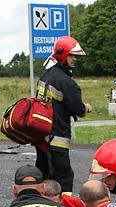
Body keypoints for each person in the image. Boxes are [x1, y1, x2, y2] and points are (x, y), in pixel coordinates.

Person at [35, 36, 93, 194]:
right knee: (64, 177)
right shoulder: (66, 81)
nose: (75, 59)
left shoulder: (45, 75)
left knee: (43, 174)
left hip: (42, 135)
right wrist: (86, 108)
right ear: (62, 55)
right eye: (71, 55)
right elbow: (78, 109)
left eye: (76, 56)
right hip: (57, 138)